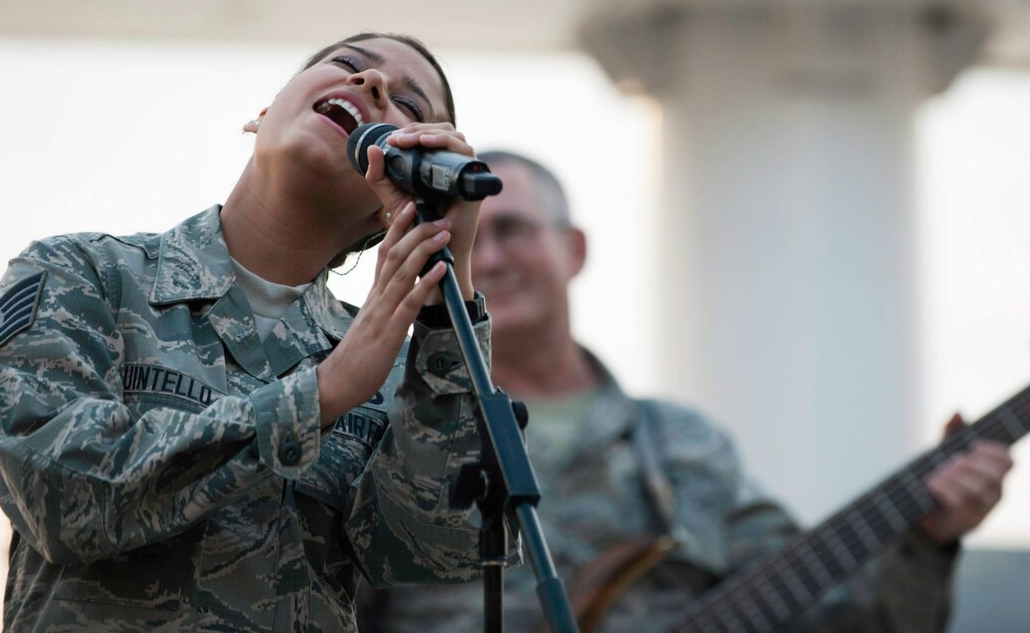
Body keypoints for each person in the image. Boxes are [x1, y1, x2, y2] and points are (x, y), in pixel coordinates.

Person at [0, 32, 513, 632]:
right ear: (265, 114)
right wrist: (318, 397)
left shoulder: (398, 372)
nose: (372, 85)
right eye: (348, 65)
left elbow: (438, 553)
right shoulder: (85, 275)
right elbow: (57, 493)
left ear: (398, 199)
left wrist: (444, 319)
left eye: (410, 110)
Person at [355, 150, 1015, 632]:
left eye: (513, 230)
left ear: (575, 249)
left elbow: (843, 620)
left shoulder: (683, 445)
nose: (490, 259)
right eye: (467, 238)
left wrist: (928, 539)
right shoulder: (390, 427)